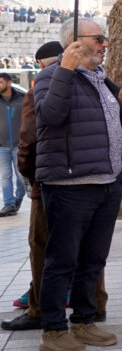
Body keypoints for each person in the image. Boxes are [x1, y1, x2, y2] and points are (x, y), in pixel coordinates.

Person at [31, 18, 122, 351]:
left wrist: (117, 171)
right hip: (69, 186)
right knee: (62, 260)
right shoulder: (51, 76)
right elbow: (50, 116)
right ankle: (53, 330)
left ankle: (84, 321)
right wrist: (66, 69)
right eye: (98, 38)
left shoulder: (99, 79)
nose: (105, 44)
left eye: (105, 38)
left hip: (106, 184)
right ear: (75, 41)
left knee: (93, 259)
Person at [3, 42, 108, 332]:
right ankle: (94, 306)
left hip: (50, 182)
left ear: (40, 65)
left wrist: (31, 174)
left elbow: (28, 139)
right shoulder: (91, 83)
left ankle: (40, 311)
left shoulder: (43, 86)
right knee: (88, 248)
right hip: (89, 180)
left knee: (44, 248)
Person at [0, 72, 27, 215]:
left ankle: (18, 199)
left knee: (22, 177)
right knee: (5, 177)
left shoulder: (22, 98)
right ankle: (9, 204)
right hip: (1, 147)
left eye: (0, 82)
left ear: (9, 82)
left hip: (19, 146)